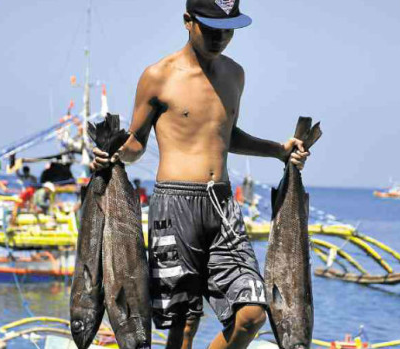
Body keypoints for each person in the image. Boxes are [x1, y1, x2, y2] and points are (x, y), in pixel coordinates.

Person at [90, 1, 310, 348]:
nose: (220, 37)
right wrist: (112, 154)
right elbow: (137, 142)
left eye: (228, 29)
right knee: (183, 324)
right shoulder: (158, 75)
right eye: (210, 28)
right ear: (188, 22)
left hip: (223, 204)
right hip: (174, 205)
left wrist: (278, 150)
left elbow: (226, 133)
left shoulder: (235, 74)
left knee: (252, 314)